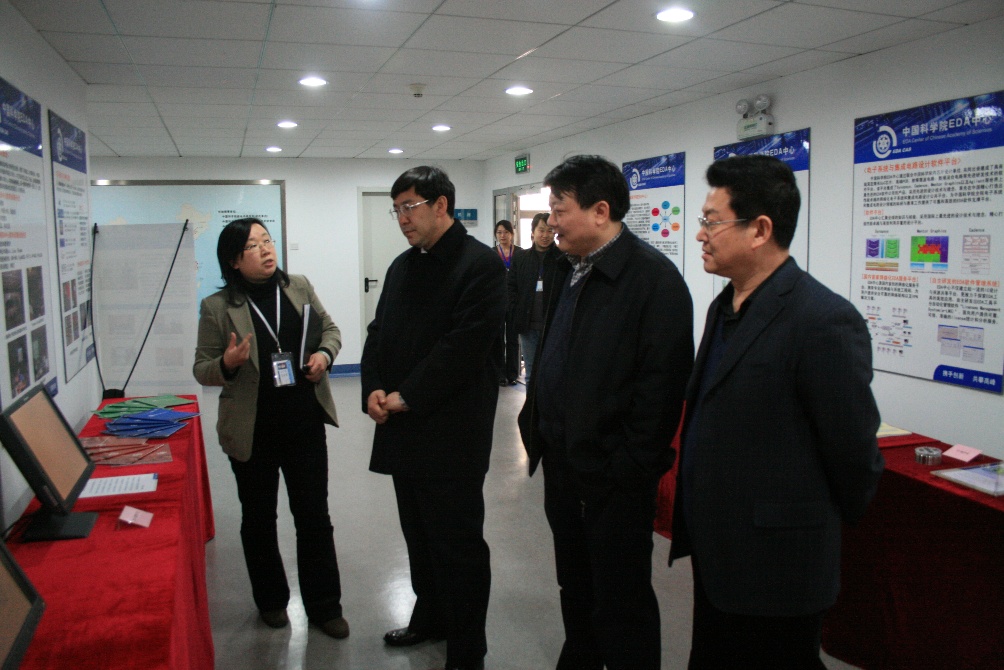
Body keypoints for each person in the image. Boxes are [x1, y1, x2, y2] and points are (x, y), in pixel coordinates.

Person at [670, 155, 885, 669]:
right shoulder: (725, 307)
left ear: (760, 230)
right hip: (720, 552)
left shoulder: (822, 320)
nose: (700, 234)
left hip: (780, 562)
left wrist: (811, 527)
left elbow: (853, 451)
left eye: (712, 221)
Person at [517, 155, 694, 670]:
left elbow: (661, 391)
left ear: (600, 211)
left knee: (621, 596)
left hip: (614, 478)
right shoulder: (567, 267)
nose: (551, 222)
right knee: (574, 582)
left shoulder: (654, 281)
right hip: (563, 462)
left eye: (560, 210)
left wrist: (627, 467)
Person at [361, 166, 505, 670]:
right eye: (396, 210)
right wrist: (373, 387)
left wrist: (405, 397)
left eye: (410, 207)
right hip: (404, 431)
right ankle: (430, 617)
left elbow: (461, 350)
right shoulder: (403, 266)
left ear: (441, 205)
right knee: (419, 536)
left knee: (457, 545)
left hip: (451, 435)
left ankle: (467, 648)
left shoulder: (480, 265)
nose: (402, 218)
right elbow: (378, 331)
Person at [193, 217, 348, 638]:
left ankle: (324, 606)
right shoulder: (217, 307)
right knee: (259, 518)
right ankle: (271, 600)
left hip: (304, 424)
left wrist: (324, 355)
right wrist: (227, 364)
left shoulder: (298, 287)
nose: (265, 249)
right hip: (252, 431)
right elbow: (202, 368)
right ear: (233, 260)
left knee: (314, 516)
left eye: (267, 240)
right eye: (252, 245)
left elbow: (330, 330)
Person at [507, 212, 558, 385]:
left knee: (551, 373)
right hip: (527, 326)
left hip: (553, 326)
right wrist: (515, 312)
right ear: (533, 232)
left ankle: (546, 404)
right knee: (531, 373)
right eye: (541, 230)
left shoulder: (562, 258)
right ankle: (531, 404)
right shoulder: (521, 257)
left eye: (550, 230)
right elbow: (511, 288)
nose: (545, 235)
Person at [494, 219, 523, 385]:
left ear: (512, 234)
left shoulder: (520, 253)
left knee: (513, 339)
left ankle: (512, 374)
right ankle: (499, 374)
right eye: (499, 232)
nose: (503, 235)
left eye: (506, 232)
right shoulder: (491, 253)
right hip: (497, 303)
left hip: (514, 302)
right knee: (498, 339)